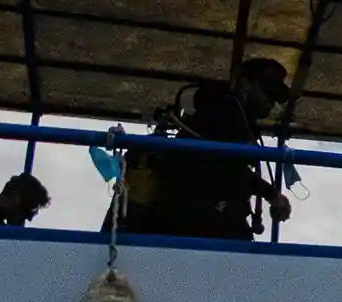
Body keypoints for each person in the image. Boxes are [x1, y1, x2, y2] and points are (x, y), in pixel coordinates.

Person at [119, 58, 293, 238]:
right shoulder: (223, 110)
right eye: (267, 88)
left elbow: (232, 166)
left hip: (203, 215)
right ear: (245, 83)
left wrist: (271, 194)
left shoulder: (237, 117)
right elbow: (224, 166)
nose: (271, 101)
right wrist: (270, 194)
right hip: (194, 218)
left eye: (276, 95)